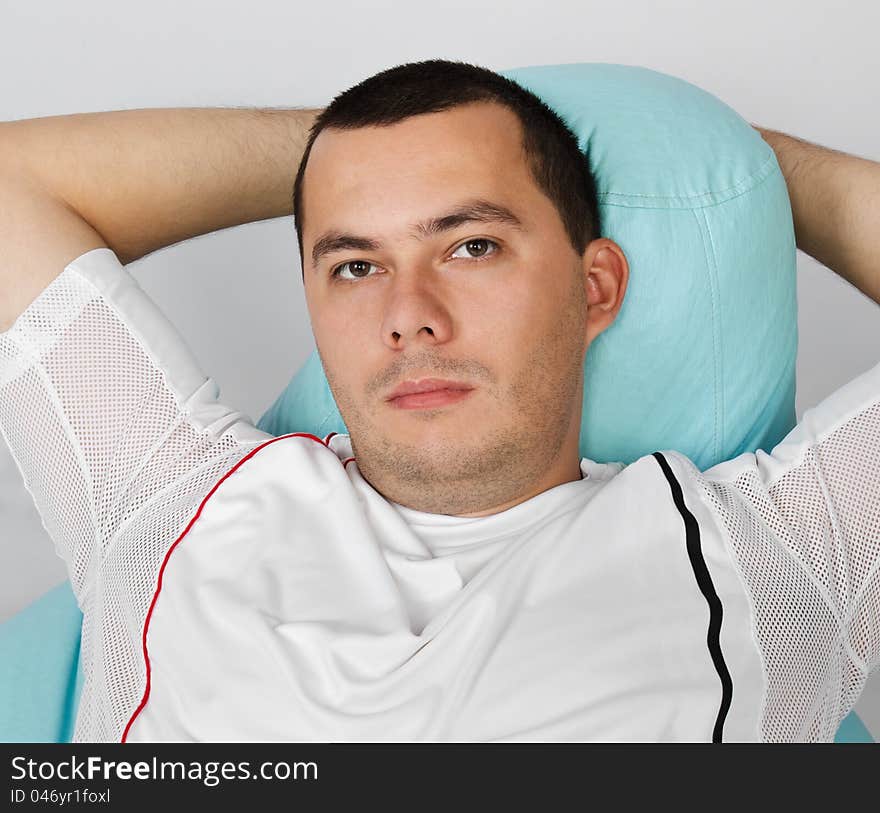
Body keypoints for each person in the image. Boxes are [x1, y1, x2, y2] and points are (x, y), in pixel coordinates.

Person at [0, 59, 877, 743]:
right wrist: (346, 153)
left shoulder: (779, 557)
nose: (409, 318)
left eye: (471, 247)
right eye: (355, 265)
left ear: (596, 289)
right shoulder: (164, 499)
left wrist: (752, 167)